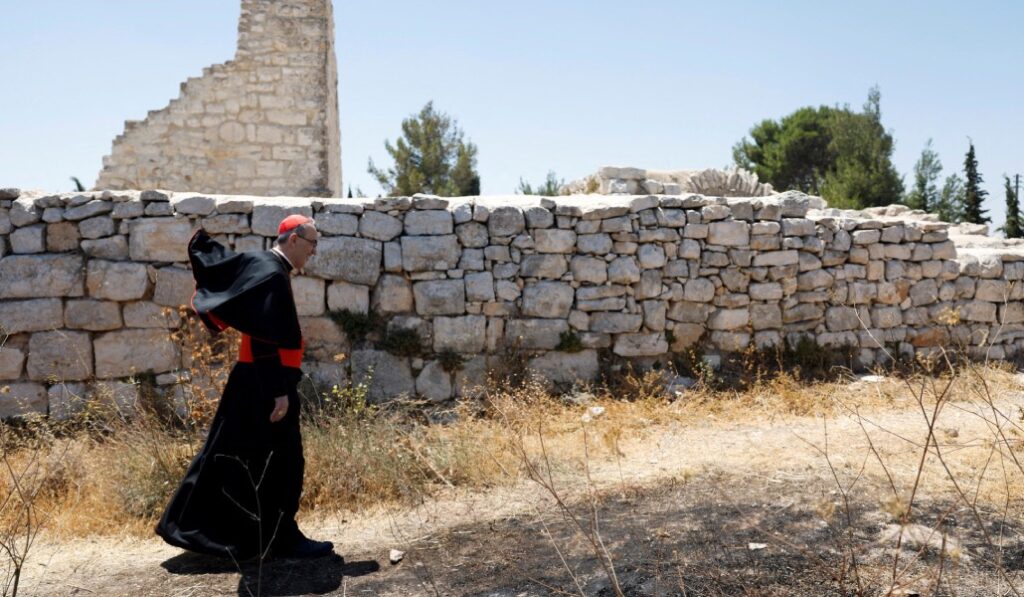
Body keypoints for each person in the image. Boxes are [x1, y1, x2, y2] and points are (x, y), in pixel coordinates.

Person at [156, 214, 333, 560]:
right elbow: (264, 336)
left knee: (235, 457)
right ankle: (282, 539)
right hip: (266, 381)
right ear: (294, 239)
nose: (314, 251)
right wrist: (279, 391)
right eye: (312, 243)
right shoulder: (273, 274)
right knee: (283, 463)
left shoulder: (261, 264)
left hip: (253, 379)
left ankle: (201, 529)